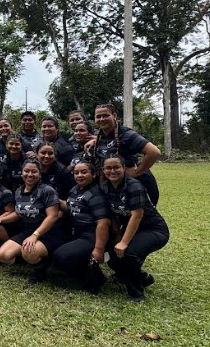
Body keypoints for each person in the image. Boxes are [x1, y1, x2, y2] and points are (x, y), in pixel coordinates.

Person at [101, 155, 169, 302]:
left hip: (153, 229)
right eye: (108, 168)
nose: (112, 171)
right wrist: (117, 235)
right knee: (112, 258)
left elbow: (137, 215)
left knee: (128, 254)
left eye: (116, 167)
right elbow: (113, 214)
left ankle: (136, 294)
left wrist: (124, 242)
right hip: (131, 229)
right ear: (103, 170)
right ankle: (143, 278)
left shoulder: (134, 186)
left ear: (124, 168)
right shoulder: (106, 187)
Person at [0, 159, 64, 284]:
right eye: (26, 171)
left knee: (28, 251)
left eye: (34, 171)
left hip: (48, 234)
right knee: (3, 255)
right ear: (22, 173)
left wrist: (35, 235)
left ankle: (41, 269)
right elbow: (18, 213)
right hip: (28, 232)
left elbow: (52, 216)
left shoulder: (47, 190)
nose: (30, 174)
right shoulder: (18, 191)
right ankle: (34, 260)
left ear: (40, 173)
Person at [52, 161, 111, 294]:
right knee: (53, 247)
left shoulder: (96, 194)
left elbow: (103, 223)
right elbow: (70, 206)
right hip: (76, 232)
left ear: (93, 174)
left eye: (84, 172)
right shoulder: (75, 189)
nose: (79, 175)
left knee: (61, 256)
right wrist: (53, 199)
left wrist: (99, 249)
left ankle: (92, 280)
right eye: (76, 173)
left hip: (91, 235)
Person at [87, 103, 162, 205]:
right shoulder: (100, 136)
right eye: (98, 116)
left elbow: (154, 152)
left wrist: (137, 172)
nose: (101, 119)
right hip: (116, 188)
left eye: (105, 115)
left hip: (137, 187)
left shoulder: (127, 134)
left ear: (114, 115)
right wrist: (94, 141)